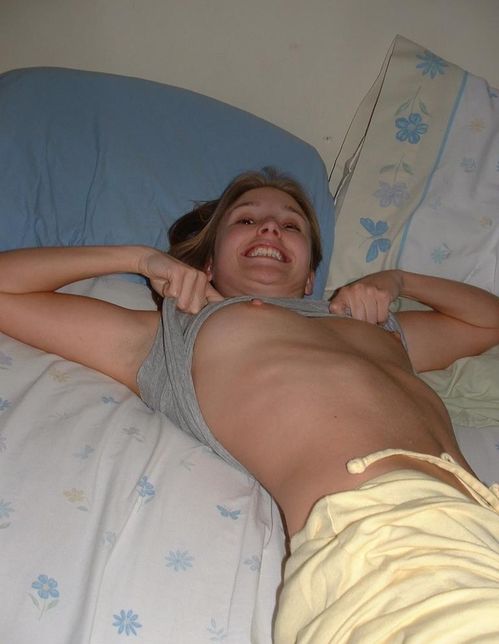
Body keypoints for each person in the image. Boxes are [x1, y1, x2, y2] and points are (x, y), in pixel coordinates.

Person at [1, 168, 499, 641]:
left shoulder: (366, 321)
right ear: (209, 263)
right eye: (245, 220)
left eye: (291, 225)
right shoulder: (174, 334)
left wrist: (399, 281)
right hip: (380, 550)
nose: (270, 227)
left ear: (310, 276)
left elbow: (487, 322)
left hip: (482, 522)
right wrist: (140, 259)